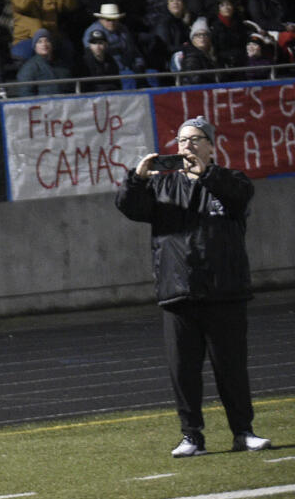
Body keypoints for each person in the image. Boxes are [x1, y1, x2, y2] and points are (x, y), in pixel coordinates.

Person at [114, 116, 271, 457]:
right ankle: (192, 436)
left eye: (196, 139)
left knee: (231, 369)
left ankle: (243, 432)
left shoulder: (230, 181)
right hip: (178, 292)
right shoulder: (162, 187)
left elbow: (239, 197)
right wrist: (137, 179)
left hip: (224, 292)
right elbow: (129, 207)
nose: (187, 146)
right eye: (182, 140)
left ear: (212, 146)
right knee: (183, 372)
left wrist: (207, 174)